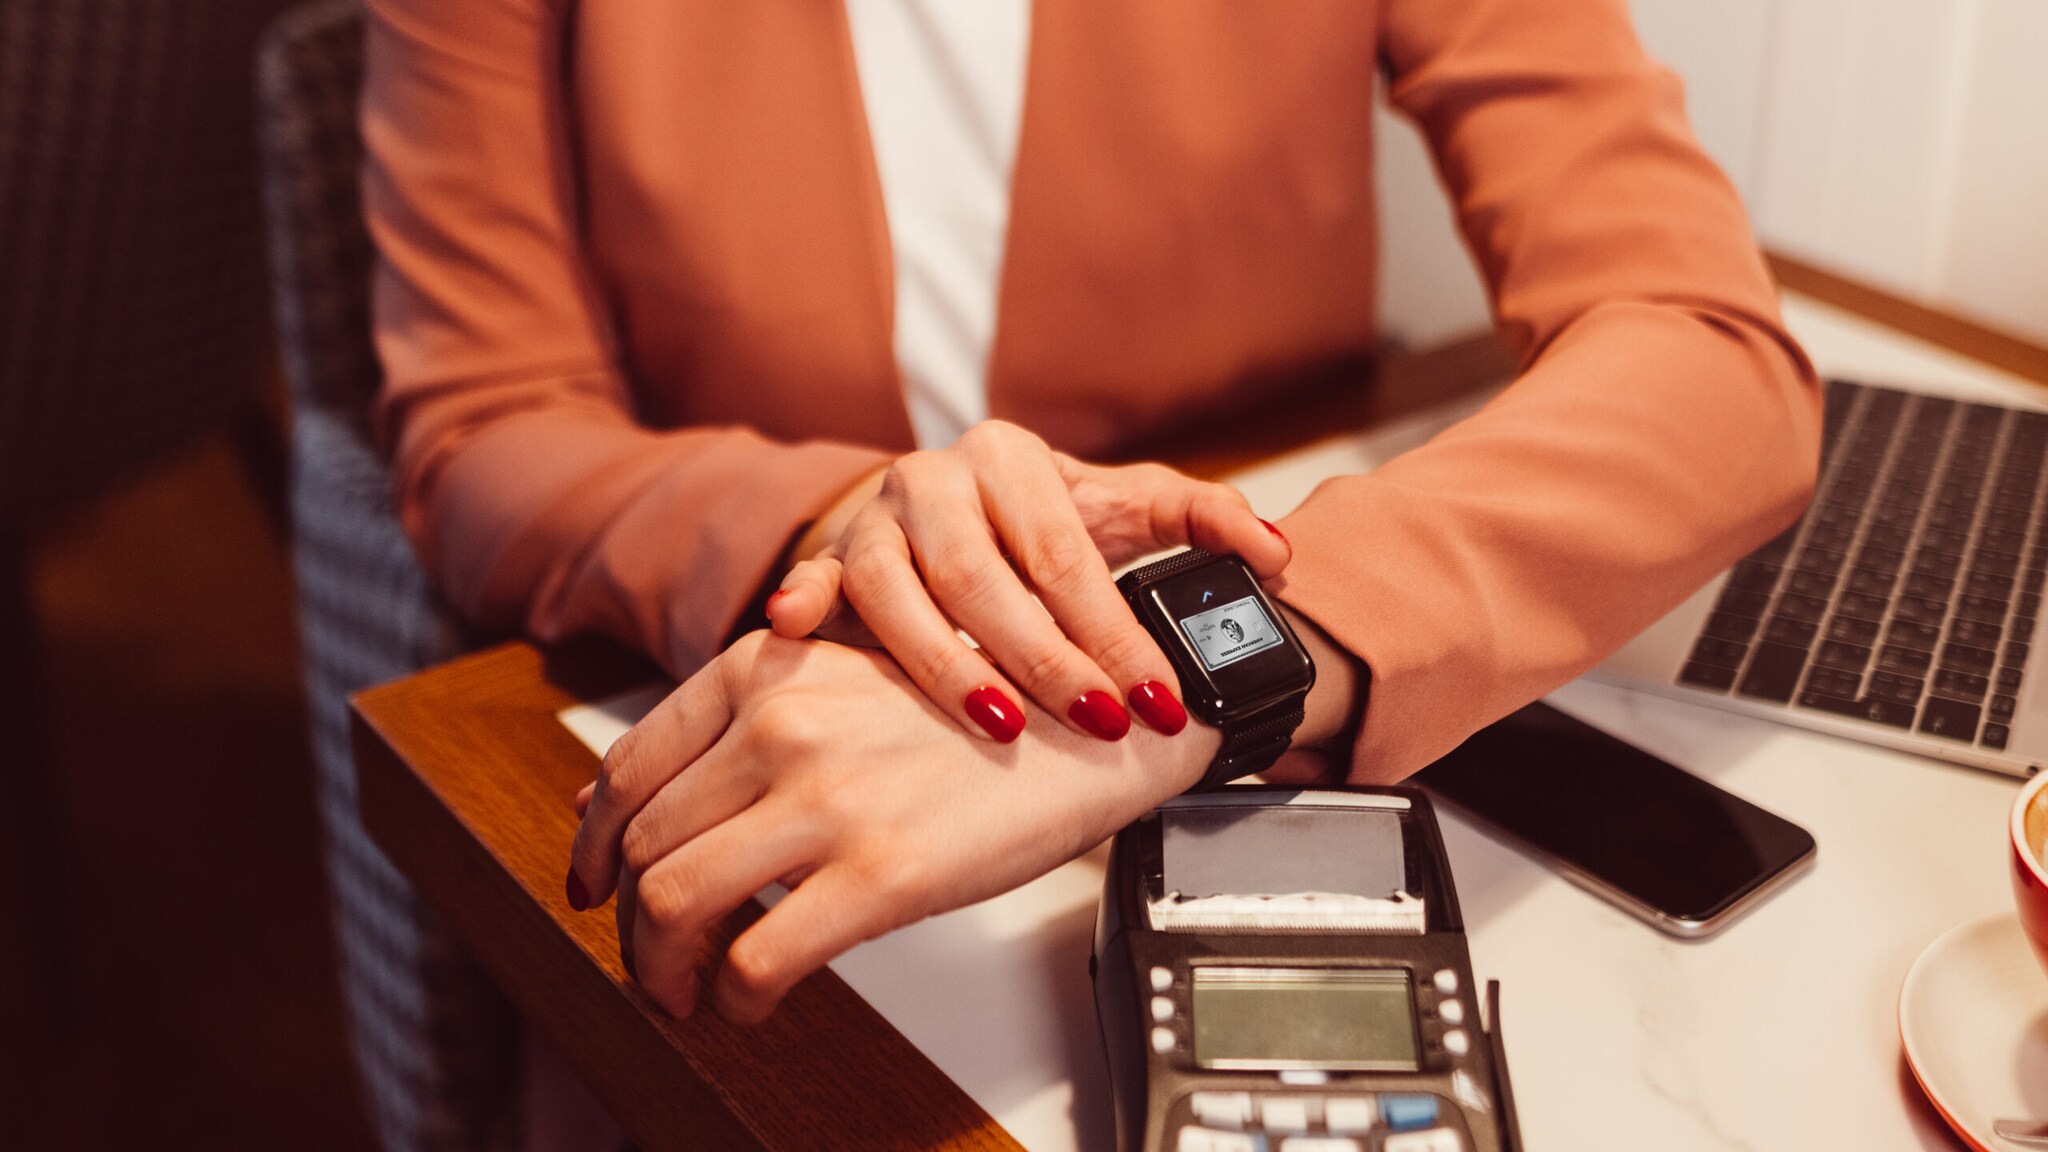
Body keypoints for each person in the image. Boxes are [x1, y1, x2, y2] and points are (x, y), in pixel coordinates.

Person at [364, 0, 1816, 1064]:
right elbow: (484, 428)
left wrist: (1200, 667)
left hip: (1244, 783)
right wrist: (859, 529)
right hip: (791, 736)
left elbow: (1710, 359)